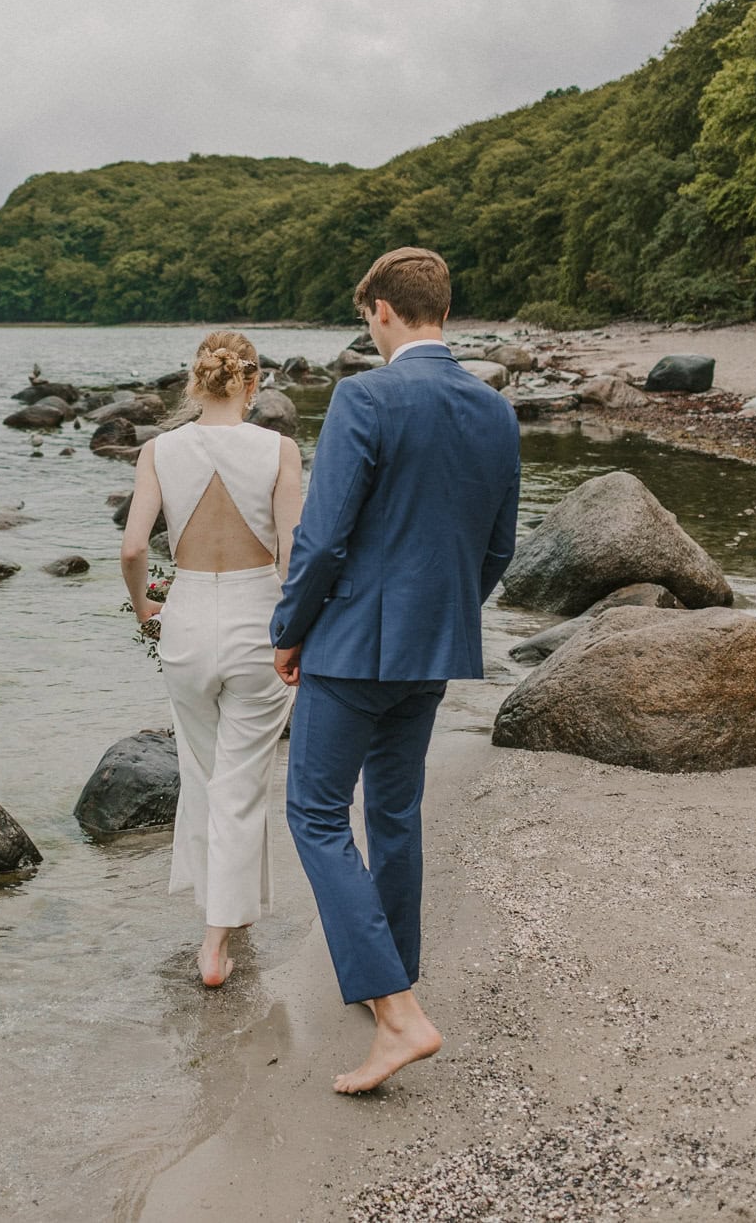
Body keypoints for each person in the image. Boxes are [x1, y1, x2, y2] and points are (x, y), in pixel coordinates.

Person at [270, 247, 521, 1093]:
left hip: (352, 646)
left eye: (364, 316)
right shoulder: (493, 409)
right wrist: (447, 613)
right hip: (433, 645)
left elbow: (324, 536)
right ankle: (395, 976)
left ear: (381, 310)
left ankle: (396, 1010)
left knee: (312, 811)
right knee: (395, 810)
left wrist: (289, 629)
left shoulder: (364, 395)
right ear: (440, 310)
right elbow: (497, 547)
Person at [121, 331, 305, 988]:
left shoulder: (159, 451)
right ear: (252, 385)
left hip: (188, 619)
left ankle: (228, 915)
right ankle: (215, 940)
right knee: (242, 782)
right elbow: (293, 551)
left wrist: (147, 608)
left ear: (195, 383)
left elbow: (133, 546)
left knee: (205, 774)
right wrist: (300, 628)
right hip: (261, 619)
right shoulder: (279, 449)